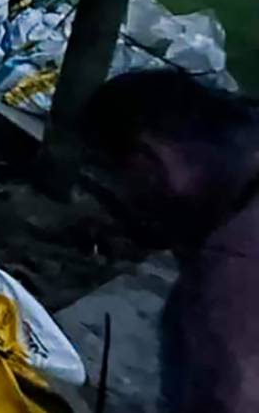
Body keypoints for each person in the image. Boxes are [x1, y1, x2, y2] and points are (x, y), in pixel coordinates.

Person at [80, 71, 259, 412]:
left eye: (116, 175)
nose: (127, 198)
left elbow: (235, 399)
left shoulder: (233, 276)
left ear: (148, 158)